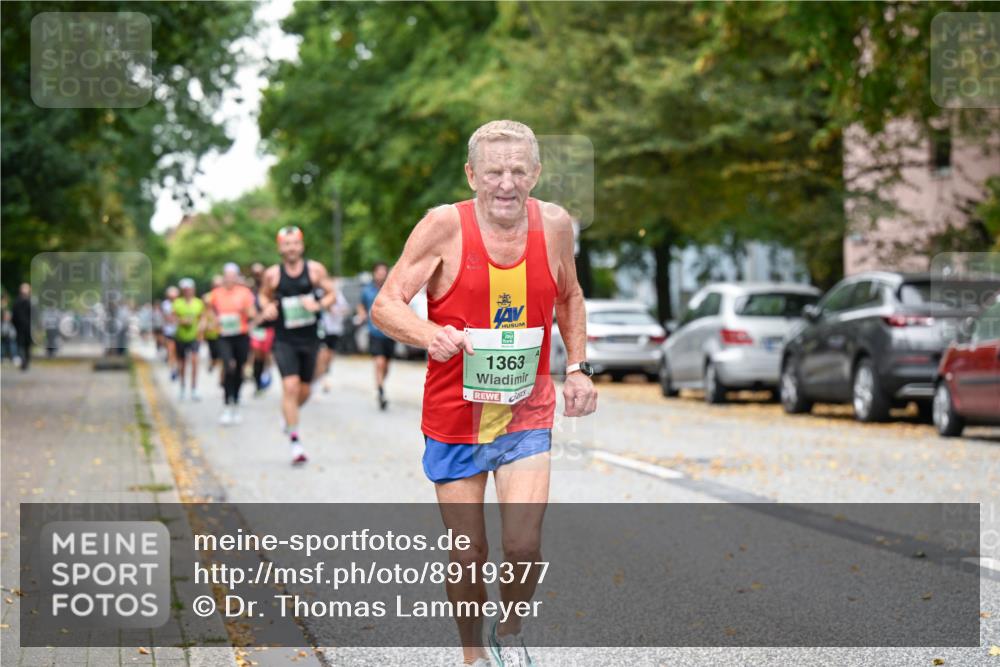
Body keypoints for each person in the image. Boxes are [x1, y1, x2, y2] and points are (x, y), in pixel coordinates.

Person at [372, 120, 598, 666]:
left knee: (522, 547)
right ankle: (473, 654)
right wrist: (430, 335)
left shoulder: (556, 226)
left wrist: (579, 367)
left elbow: (569, 295)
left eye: (519, 171)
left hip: (527, 412)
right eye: (494, 171)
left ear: (536, 173)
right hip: (456, 416)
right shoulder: (442, 227)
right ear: (472, 174)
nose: (506, 183)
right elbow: (386, 305)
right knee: (468, 553)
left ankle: (511, 632)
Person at [257, 226, 337, 465]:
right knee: (290, 387)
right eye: (286, 244)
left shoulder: (315, 270)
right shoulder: (272, 274)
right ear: (280, 247)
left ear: (301, 246)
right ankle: (295, 442)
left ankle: (288, 415)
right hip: (284, 339)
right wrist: (266, 307)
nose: (291, 248)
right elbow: (263, 295)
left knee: (304, 391)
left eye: (295, 243)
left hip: (310, 339)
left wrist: (319, 304)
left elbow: (332, 292)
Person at [209, 263, 257, 425]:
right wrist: (213, 319)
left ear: (236, 277)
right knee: (228, 366)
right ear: (224, 277)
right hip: (224, 336)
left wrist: (244, 309)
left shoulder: (245, 293)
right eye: (227, 276)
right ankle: (226, 404)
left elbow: (252, 313)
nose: (229, 279)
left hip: (241, 335)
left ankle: (236, 400)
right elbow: (208, 310)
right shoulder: (216, 293)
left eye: (232, 276)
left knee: (239, 369)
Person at [357, 262, 394, 409]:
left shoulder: (391, 290)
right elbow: (361, 305)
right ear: (374, 273)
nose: (381, 274)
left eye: (383, 271)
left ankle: (380, 385)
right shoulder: (367, 291)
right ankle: (381, 390)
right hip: (374, 332)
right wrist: (361, 314)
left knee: (387, 365)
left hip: (390, 333)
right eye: (378, 271)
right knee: (379, 362)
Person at [172, 278, 205, 401]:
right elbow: (173, 318)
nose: (187, 292)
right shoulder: (177, 303)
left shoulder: (198, 303)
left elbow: (202, 318)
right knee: (182, 363)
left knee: (195, 361)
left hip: (194, 337)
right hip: (180, 336)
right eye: (185, 290)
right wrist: (182, 321)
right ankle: (182, 387)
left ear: (193, 290)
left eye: (189, 289)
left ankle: (194, 388)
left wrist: (201, 329)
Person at [317, 278, 350, 393]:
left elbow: (346, 309)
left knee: (330, 354)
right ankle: (322, 377)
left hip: (335, 329)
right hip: (323, 329)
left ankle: (326, 372)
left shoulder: (338, 296)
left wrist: (337, 311)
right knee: (323, 353)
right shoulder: (320, 295)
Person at [249, 262, 275, 395]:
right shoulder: (251, 290)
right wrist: (256, 319)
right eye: (255, 273)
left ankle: (267, 375)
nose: (258, 276)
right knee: (257, 355)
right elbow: (250, 309)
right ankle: (257, 382)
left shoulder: (271, 288)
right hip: (258, 327)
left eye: (260, 272)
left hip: (270, 326)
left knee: (268, 355)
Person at [202, 275, 224, 383]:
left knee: (223, 356)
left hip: (224, 331)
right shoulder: (208, 297)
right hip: (212, 332)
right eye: (216, 285)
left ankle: (222, 379)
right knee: (214, 355)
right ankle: (212, 362)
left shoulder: (227, 295)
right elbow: (206, 313)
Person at [12, 283, 32, 371]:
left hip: (24, 328)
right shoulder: (20, 302)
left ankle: (25, 361)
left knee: (24, 345)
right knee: (22, 345)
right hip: (23, 328)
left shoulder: (18, 302)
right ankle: (24, 361)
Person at [162, 286, 180, 375]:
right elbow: (168, 318)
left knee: (177, 352)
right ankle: (172, 368)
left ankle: (177, 367)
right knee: (171, 350)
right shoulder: (166, 304)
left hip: (179, 331)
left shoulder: (180, 303)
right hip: (169, 331)